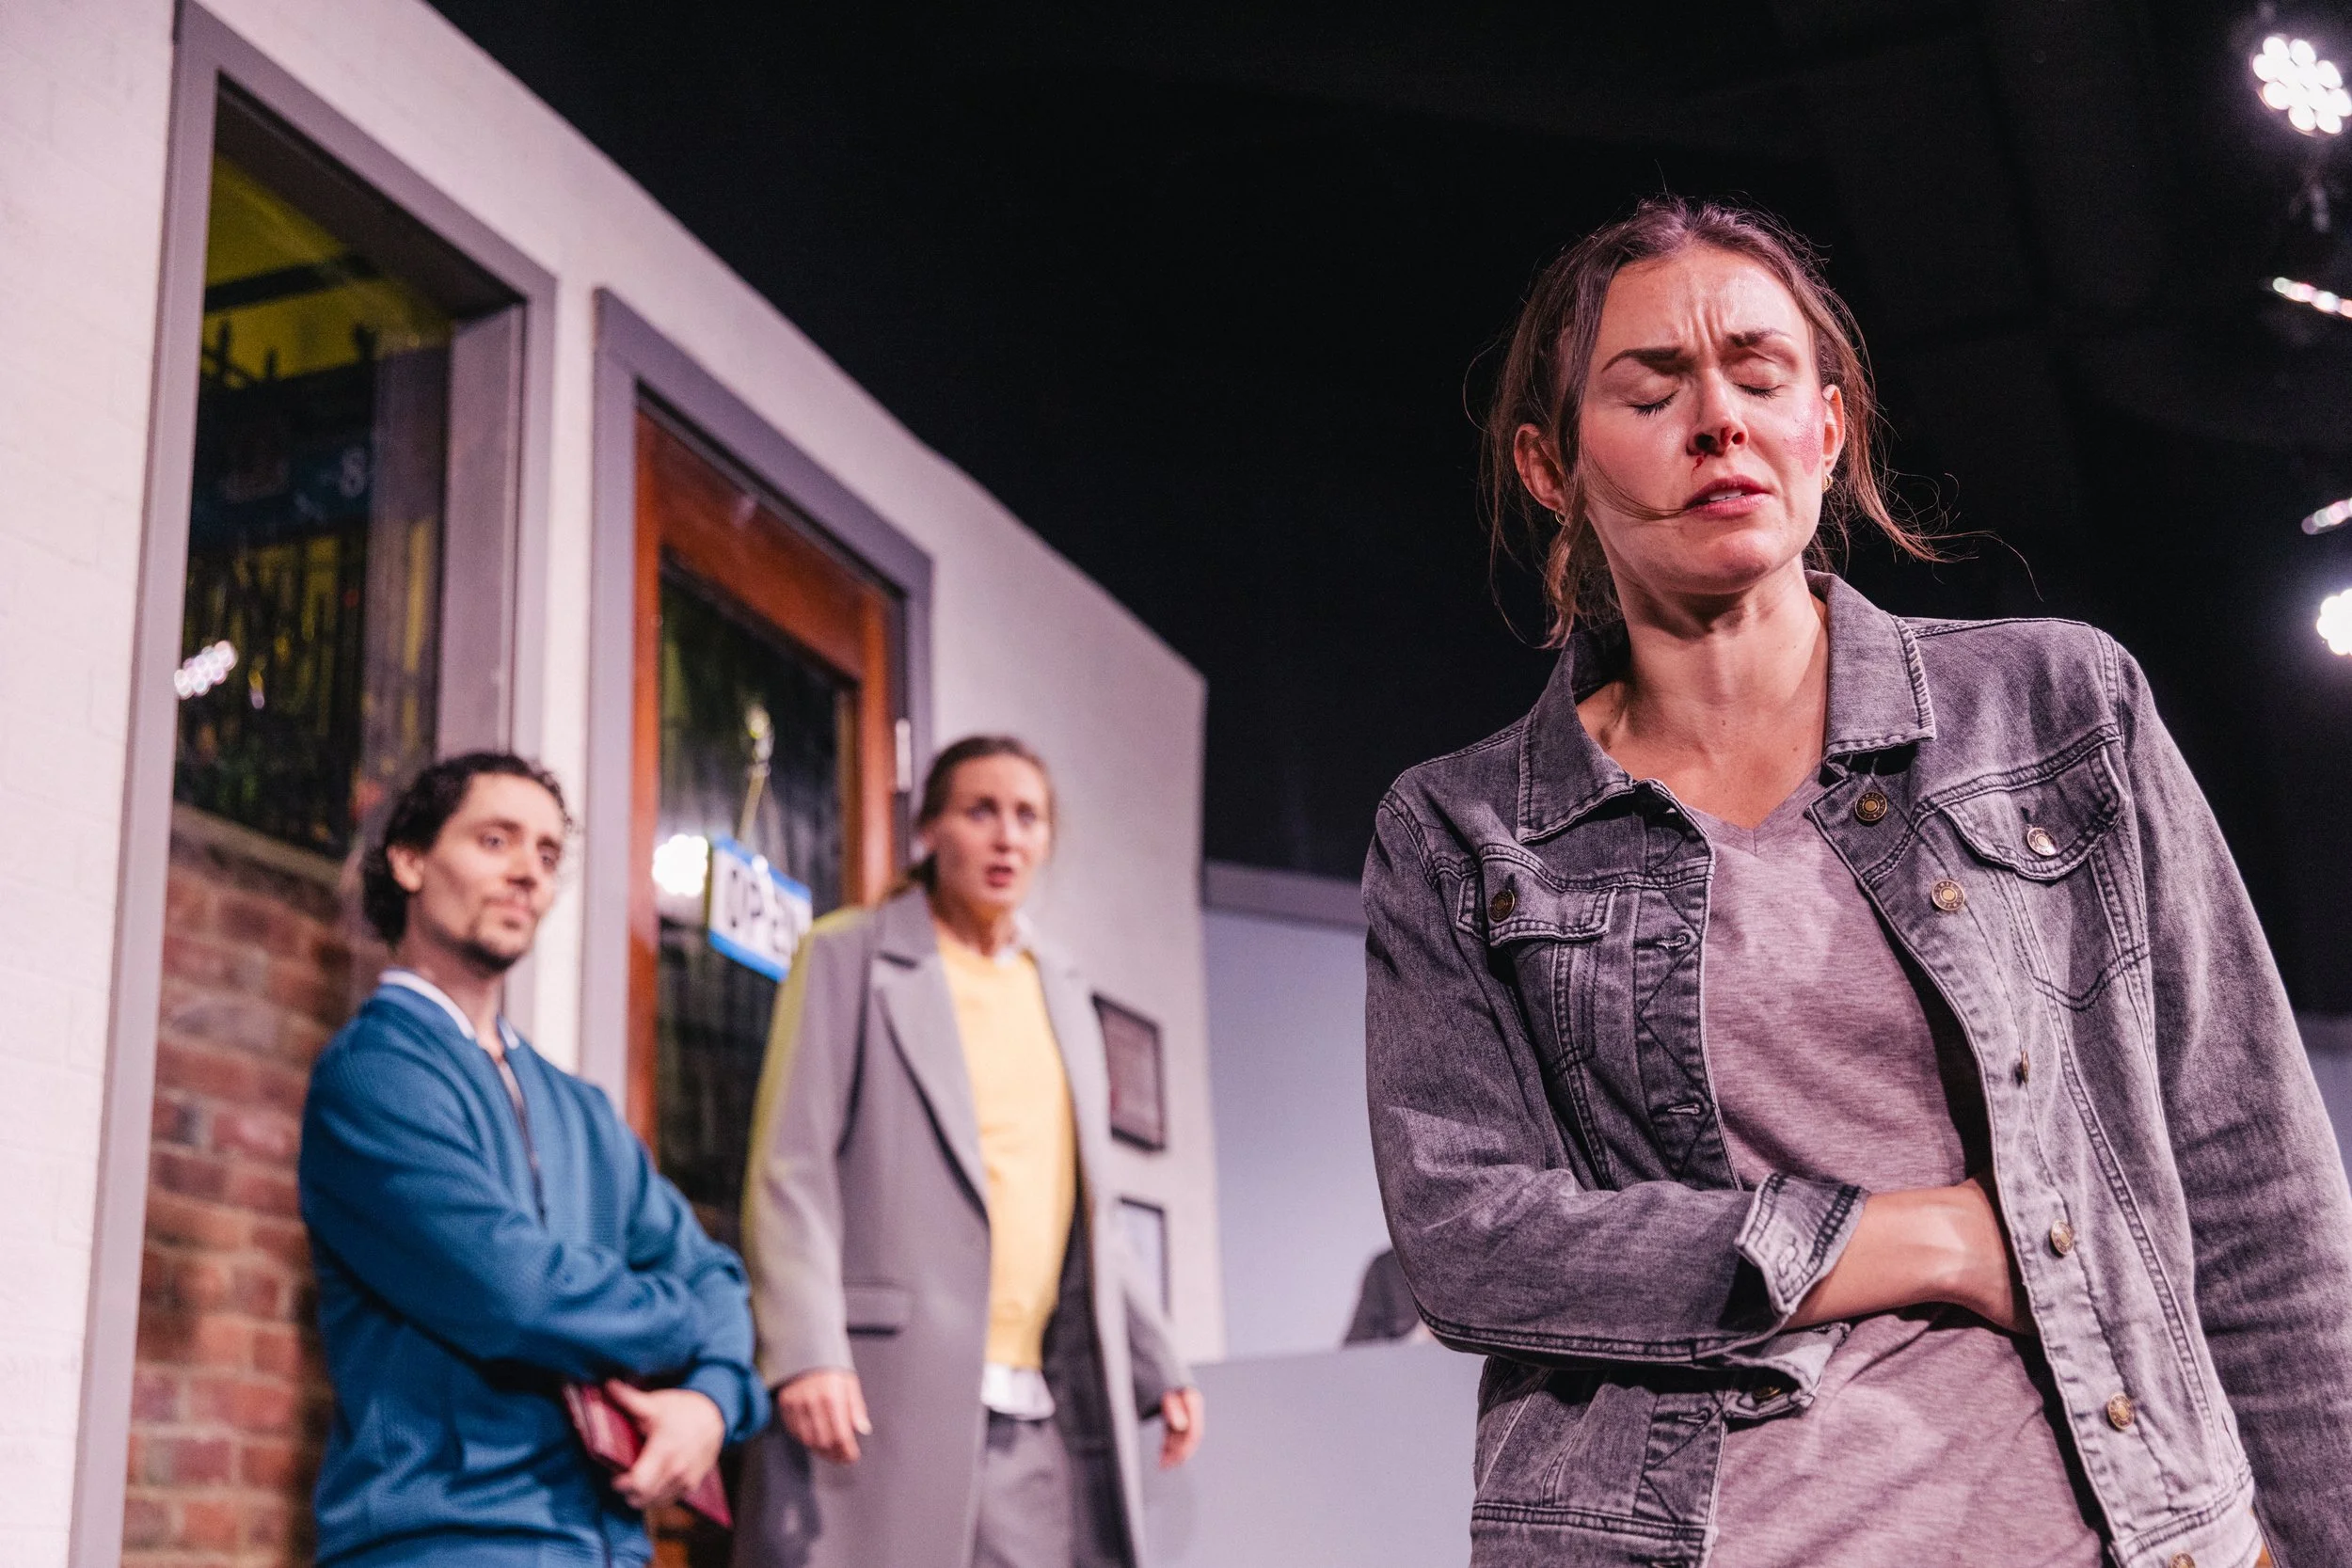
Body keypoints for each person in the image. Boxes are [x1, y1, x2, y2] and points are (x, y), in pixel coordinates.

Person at [1363, 196, 2352, 1568]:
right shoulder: (1462, 830)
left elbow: (2254, 1182)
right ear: (1549, 465)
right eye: (1650, 390)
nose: (1718, 420)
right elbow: (1470, 1238)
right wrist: (1923, 1238)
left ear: (1826, 428)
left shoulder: (2055, 707)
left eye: (1761, 376)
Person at [734, 735, 1203, 1568]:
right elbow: (792, 1170)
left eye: (1028, 816)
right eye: (980, 811)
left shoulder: (1060, 986)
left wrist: (1156, 1356)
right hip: (877, 1391)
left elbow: (1092, 1210)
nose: (1006, 836)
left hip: (1029, 1408)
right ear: (930, 830)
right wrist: (805, 1349)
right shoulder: (849, 953)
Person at [299, 752, 767, 1566]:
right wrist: (681, 1318)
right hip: (446, 1541)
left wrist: (712, 1403)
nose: (528, 872)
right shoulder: (373, 1076)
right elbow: (520, 1293)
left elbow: (714, 1274)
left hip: (608, 1543)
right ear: (408, 860)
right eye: (496, 840)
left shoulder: (579, 1108)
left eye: (548, 854)